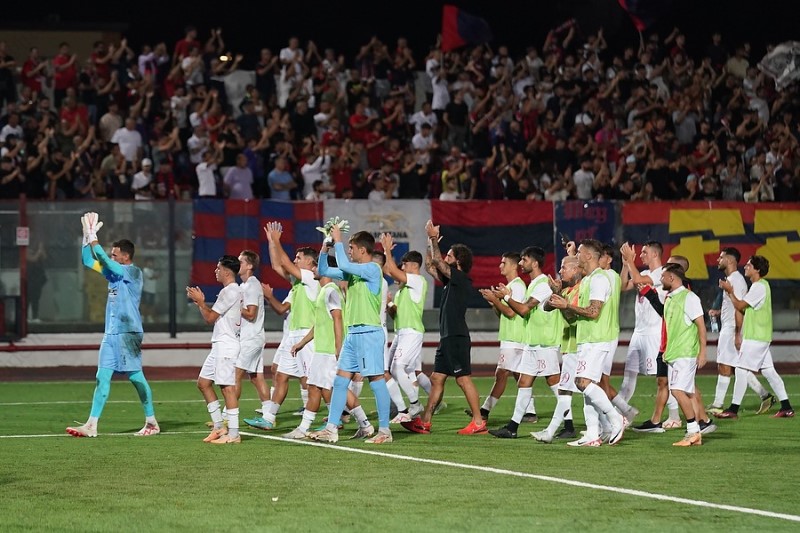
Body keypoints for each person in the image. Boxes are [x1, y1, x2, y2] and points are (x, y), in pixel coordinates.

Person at [67, 213, 159, 438]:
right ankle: (91, 425)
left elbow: (103, 259)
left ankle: (151, 422)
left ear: (125, 256)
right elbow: (88, 260)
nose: (111, 256)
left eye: (115, 254)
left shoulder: (132, 272)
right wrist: (86, 237)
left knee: (136, 377)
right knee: (102, 377)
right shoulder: (113, 274)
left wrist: (94, 237)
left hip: (129, 333)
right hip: (111, 334)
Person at [308, 226, 393, 444]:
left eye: (351, 247)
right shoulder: (351, 272)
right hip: (353, 334)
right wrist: (326, 246)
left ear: (362, 250)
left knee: (376, 381)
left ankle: (385, 431)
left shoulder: (373, 269)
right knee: (339, 381)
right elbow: (323, 269)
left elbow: (344, 265)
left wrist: (338, 238)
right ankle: (331, 429)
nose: (348, 251)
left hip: (369, 332)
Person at [401, 220, 487, 436]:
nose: (445, 258)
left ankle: (478, 421)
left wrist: (433, 239)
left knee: (463, 379)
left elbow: (438, 262)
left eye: (450, 256)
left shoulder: (460, 278)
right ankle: (425, 422)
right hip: (447, 337)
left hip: (456, 336)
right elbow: (430, 266)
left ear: (458, 261)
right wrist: (429, 243)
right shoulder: (450, 281)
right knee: (437, 379)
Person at [549, 239, 625, 447]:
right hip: (586, 339)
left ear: (589, 256)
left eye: (579, 253)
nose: (576, 256)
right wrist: (561, 299)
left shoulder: (599, 279)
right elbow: (573, 317)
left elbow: (593, 312)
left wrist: (567, 306)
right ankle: (592, 434)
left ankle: (616, 418)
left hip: (597, 339)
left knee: (582, 383)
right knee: (585, 387)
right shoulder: (588, 280)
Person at [246, 222, 319, 429]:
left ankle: (339, 417)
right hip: (294, 336)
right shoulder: (298, 283)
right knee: (280, 375)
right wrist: (271, 242)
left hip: (307, 336)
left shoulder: (311, 277)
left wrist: (278, 241)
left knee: (316, 382)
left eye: (299, 258)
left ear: (310, 262)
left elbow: (285, 263)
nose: (295, 260)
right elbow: (277, 266)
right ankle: (269, 419)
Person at [489, 246, 562, 438]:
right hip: (532, 342)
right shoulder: (533, 284)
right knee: (523, 382)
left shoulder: (543, 284)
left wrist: (505, 297)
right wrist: (503, 299)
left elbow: (522, 310)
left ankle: (569, 424)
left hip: (545, 342)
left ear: (535, 263)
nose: (521, 263)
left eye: (525, 260)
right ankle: (512, 428)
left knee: (554, 383)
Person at [716, 256, 795, 419]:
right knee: (769, 372)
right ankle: (786, 407)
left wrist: (729, 291)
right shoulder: (759, 286)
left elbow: (739, 306)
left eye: (749, 265)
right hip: (760, 336)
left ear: (757, 269)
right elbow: (745, 309)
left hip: (756, 337)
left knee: (740, 369)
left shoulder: (759, 287)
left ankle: (733, 409)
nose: (745, 266)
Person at [619, 241, 682, 429]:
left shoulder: (662, 274)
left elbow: (638, 280)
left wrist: (631, 262)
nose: (641, 255)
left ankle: (674, 416)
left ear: (655, 254)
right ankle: (621, 414)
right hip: (639, 332)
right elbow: (624, 286)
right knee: (629, 374)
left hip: (655, 333)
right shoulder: (644, 273)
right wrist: (625, 264)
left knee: (662, 378)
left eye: (644, 252)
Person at [707, 248, 774, 414]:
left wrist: (737, 333)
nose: (718, 260)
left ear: (730, 260)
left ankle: (718, 404)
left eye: (721, 257)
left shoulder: (735, 281)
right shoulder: (733, 279)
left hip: (732, 328)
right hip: (730, 326)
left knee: (725, 366)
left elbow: (739, 308)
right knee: (739, 366)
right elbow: (733, 305)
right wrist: (719, 312)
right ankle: (765, 395)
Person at [187, 255, 243, 444]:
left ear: (227, 271)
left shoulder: (230, 291)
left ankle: (234, 434)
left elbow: (210, 318)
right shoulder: (230, 290)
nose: (215, 271)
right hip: (220, 344)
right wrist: (201, 304)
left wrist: (201, 302)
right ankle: (219, 427)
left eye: (218, 268)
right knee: (203, 383)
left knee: (227, 388)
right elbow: (211, 317)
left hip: (226, 345)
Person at [532, 255, 583, 442]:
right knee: (574, 390)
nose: (560, 271)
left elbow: (571, 316)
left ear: (575, 269)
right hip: (569, 345)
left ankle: (615, 419)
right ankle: (612, 421)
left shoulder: (581, 289)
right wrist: (557, 292)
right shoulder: (567, 289)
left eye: (563, 267)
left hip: (578, 345)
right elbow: (546, 307)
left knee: (578, 390)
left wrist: (561, 299)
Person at [379, 234, 429, 423]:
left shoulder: (418, 280)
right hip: (401, 333)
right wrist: (390, 305)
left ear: (413, 265)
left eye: (404, 264)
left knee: (399, 368)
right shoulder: (403, 291)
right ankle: (404, 408)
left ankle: (415, 404)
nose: (402, 268)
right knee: (392, 370)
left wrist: (387, 250)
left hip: (412, 332)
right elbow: (396, 315)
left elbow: (391, 269)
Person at [660, 263, 708, 446]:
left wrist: (703, 352)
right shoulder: (670, 299)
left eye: (663, 276)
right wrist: (666, 349)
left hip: (686, 354)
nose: (661, 280)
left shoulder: (690, 298)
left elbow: (701, 326)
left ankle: (693, 431)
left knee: (677, 391)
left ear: (671, 278)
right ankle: (696, 432)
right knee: (686, 392)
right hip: (674, 354)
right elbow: (671, 329)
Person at [476, 252, 527, 423]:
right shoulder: (510, 286)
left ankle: (484, 410)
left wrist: (497, 300)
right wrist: (493, 303)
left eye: (504, 263)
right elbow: (503, 314)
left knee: (501, 373)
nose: (500, 266)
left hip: (514, 337)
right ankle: (530, 412)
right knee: (518, 376)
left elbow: (512, 313)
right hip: (510, 337)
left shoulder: (517, 286)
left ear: (514, 266)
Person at [235, 250, 272, 428]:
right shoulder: (245, 286)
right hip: (253, 337)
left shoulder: (251, 286)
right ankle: (268, 416)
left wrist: (234, 305)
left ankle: (227, 416)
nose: (237, 264)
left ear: (249, 266)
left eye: (240, 261)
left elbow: (251, 314)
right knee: (256, 378)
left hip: (250, 339)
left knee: (235, 375)